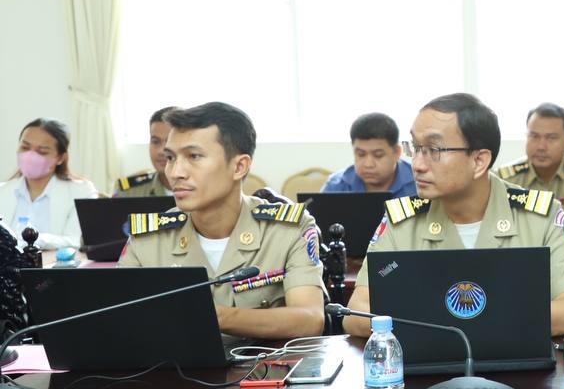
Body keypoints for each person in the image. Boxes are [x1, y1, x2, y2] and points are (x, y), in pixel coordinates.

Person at [344, 93, 564, 338]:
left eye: (434, 149)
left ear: (479, 161)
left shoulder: (540, 218)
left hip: (519, 365)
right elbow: (356, 314)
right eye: (416, 148)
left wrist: (444, 320)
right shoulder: (401, 222)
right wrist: (486, 321)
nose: (418, 164)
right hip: (429, 365)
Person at [119, 102, 325, 339]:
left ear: (239, 167)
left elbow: (310, 319)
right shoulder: (148, 239)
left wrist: (215, 316)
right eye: (171, 158)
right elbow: (116, 320)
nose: (176, 172)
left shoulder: (287, 229)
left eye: (194, 156)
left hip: (265, 362)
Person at [0, 118, 98, 250]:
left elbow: (76, 241)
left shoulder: (82, 191)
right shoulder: (3, 191)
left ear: (60, 158)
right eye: (25, 147)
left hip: (55, 263)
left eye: (42, 151)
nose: (30, 156)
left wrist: (37, 240)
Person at [322, 112, 416, 198]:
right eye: (361, 154)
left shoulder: (418, 183)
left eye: (378, 155)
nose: (368, 164)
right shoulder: (336, 186)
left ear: (397, 152)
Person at [113, 106, 178, 197]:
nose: (161, 151)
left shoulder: (199, 190)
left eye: (169, 141)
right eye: (155, 142)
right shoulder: (128, 191)